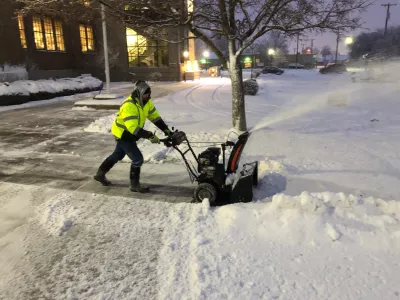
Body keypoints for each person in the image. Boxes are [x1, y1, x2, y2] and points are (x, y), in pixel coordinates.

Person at [94, 80, 172, 193]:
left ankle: (100, 174)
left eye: (149, 94)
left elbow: (155, 117)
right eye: (145, 94)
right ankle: (134, 185)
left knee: (117, 154)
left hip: (131, 134)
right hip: (123, 134)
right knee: (137, 159)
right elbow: (133, 128)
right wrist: (149, 136)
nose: (147, 96)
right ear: (139, 93)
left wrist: (167, 131)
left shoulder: (146, 102)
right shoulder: (129, 106)